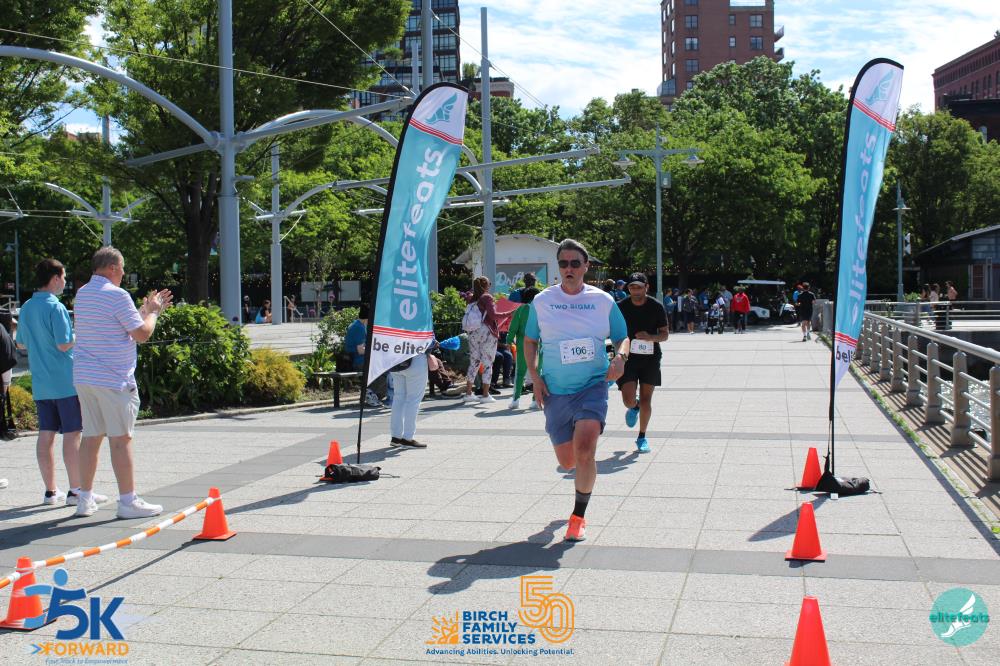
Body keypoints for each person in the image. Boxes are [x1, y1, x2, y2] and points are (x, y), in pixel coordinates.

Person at [523, 239, 628, 542]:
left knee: (585, 452)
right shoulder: (542, 301)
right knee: (567, 461)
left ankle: (578, 517)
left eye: (575, 263)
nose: (568, 268)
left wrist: (620, 357)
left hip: (593, 384)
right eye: (563, 263)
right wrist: (535, 377)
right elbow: (530, 341)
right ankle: (572, 506)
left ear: (586, 266)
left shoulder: (603, 300)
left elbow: (622, 336)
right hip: (555, 390)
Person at [72, 247, 172, 519]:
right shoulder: (117, 295)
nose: (124, 273)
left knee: (91, 437)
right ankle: (128, 501)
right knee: (121, 439)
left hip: (86, 376)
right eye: (122, 267)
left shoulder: (83, 293)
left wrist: (143, 310)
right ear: (113, 267)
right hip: (113, 378)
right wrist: (153, 312)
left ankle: (85, 498)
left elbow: (116, 326)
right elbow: (142, 334)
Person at [17, 259, 106, 507]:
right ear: (55, 278)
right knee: (72, 434)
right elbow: (64, 344)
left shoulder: (26, 307)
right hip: (65, 380)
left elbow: (21, 343)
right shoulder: (56, 307)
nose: (65, 282)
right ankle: (76, 490)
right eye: (64, 277)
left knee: (46, 434)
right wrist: (82, 334)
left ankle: (50, 492)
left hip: (41, 381)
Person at [615, 273, 668, 453]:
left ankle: (642, 437)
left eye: (639, 287)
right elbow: (612, 332)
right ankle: (634, 407)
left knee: (647, 400)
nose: (635, 290)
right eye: (632, 287)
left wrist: (650, 337)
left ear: (646, 287)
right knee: (628, 400)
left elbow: (665, 335)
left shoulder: (656, 306)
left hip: (650, 358)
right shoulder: (620, 307)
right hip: (628, 358)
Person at [463, 276, 506, 404]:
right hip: (486, 332)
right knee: (488, 363)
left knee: (474, 362)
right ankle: (485, 394)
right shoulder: (487, 297)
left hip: (473, 332)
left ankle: (468, 393)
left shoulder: (471, 299)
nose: (490, 285)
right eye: (489, 283)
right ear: (485, 286)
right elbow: (493, 315)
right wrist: (509, 313)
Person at [344, 304, 387, 407]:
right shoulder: (359, 328)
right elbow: (360, 350)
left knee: (384, 370)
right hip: (359, 362)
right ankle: (370, 394)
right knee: (385, 372)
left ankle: (371, 395)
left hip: (359, 360)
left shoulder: (356, 325)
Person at [389, 346, 430, 449]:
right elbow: (428, 341)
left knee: (398, 398)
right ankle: (407, 438)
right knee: (413, 400)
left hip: (395, 358)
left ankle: (396, 437)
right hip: (416, 358)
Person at [507, 286, 539, 409]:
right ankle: (536, 400)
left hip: (523, 344)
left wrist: (509, 340)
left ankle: (516, 400)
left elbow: (513, 327)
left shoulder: (521, 309)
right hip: (539, 344)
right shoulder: (541, 309)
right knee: (538, 372)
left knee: (520, 372)